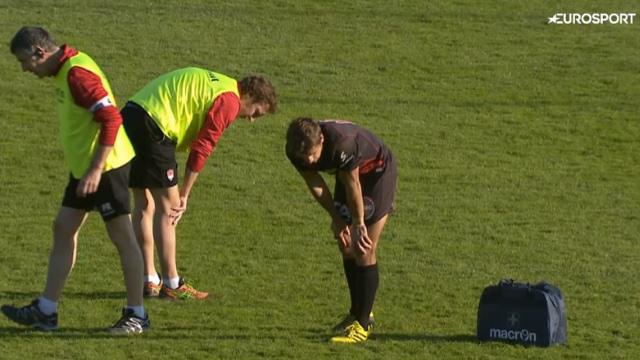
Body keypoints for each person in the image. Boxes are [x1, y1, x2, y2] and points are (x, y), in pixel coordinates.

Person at [1, 26, 149, 334]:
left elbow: (111, 118)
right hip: (86, 168)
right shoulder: (64, 69)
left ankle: (137, 315)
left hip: (106, 168)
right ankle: (47, 310)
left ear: (38, 53)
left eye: (23, 62)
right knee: (63, 227)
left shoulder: (77, 76)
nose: (24, 69)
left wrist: (96, 169)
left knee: (122, 238)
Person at [121, 67, 277, 300]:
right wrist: (184, 193)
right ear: (250, 96)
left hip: (132, 115)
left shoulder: (220, 84)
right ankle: (172, 283)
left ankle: (149, 280)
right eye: (256, 112)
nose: (252, 120)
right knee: (170, 207)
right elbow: (203, 147)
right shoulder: (230, 101)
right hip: (155, 124)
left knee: (145, 202)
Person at [285, 117, 397, 344]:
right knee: (346, 246)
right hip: (347, 175)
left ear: (322, 140)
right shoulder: (295, 148)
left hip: (376, 172)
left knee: (363, 247)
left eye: (313, 155)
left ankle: (363, 326)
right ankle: (357, 313)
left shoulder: (341, 144)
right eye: (304, 158)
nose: (309, 160)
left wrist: (357, 224)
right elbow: (315, 184)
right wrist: (337, 219)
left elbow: (353, 184)